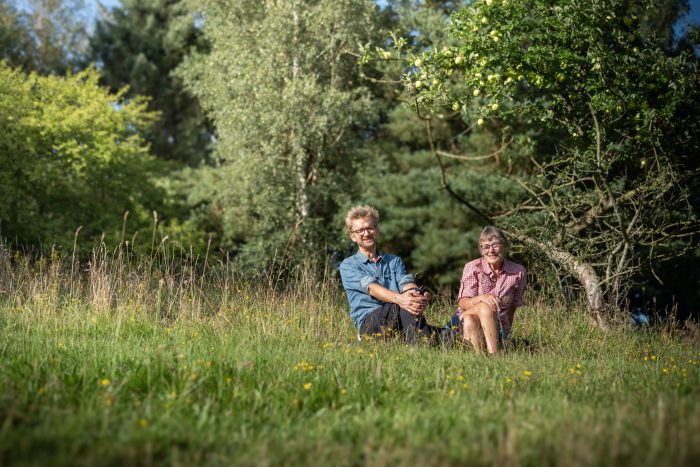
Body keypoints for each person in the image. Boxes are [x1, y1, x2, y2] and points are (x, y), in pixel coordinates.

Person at [339, 205, 447, 344]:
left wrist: (416, 295)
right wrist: (402, 300)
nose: (366, 233)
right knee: (401, 306)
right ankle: (420, 348)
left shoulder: (394, 260)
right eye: (360, 230)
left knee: (449, 335)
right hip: (371, 323)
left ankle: (416, 341)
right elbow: (371, 288)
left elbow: (405, 282)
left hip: (402, 317)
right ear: (352, 236)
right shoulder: (349, 265)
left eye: (370, 228)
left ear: (377, 230)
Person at [450, 226, 527, 354]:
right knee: (484, 307)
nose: (491, 251)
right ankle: (494, 355)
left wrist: (506, 334)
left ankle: (480, 359)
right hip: (461, 321)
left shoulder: (518, 272)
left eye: (495, 245)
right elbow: (463, 303)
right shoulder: (472, 267)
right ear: (481, 251)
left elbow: (512, 309)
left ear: (505, 246)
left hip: (495, 326)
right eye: (486, 246)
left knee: (470, 320)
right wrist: (481, 298)